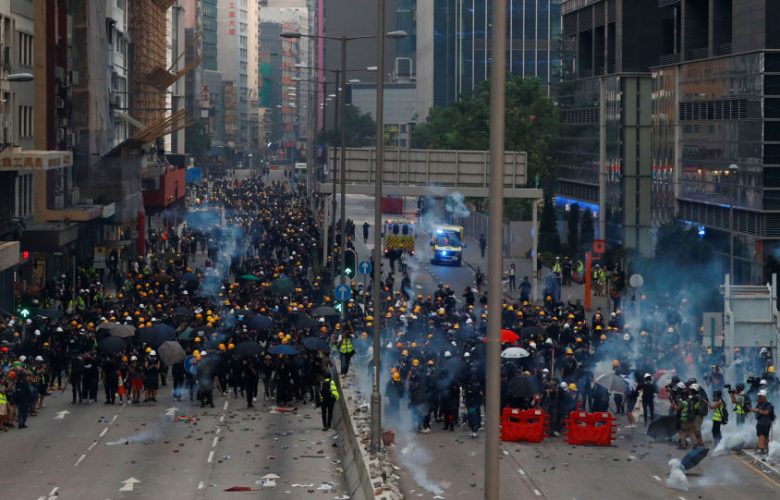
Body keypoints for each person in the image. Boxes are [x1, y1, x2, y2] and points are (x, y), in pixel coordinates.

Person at [752, 390, 775, 454]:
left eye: (760, 396)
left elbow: (766, 412)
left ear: (763, 397)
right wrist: (751, 409)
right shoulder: (759, 404)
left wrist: (758, 411)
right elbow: (755, 410)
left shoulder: (769, 405)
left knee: (765, 436)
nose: (758, 397)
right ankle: (761, 448)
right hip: (759, 422)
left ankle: (766, 448)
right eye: (759, 396)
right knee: (760, 435)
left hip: (766, 423)